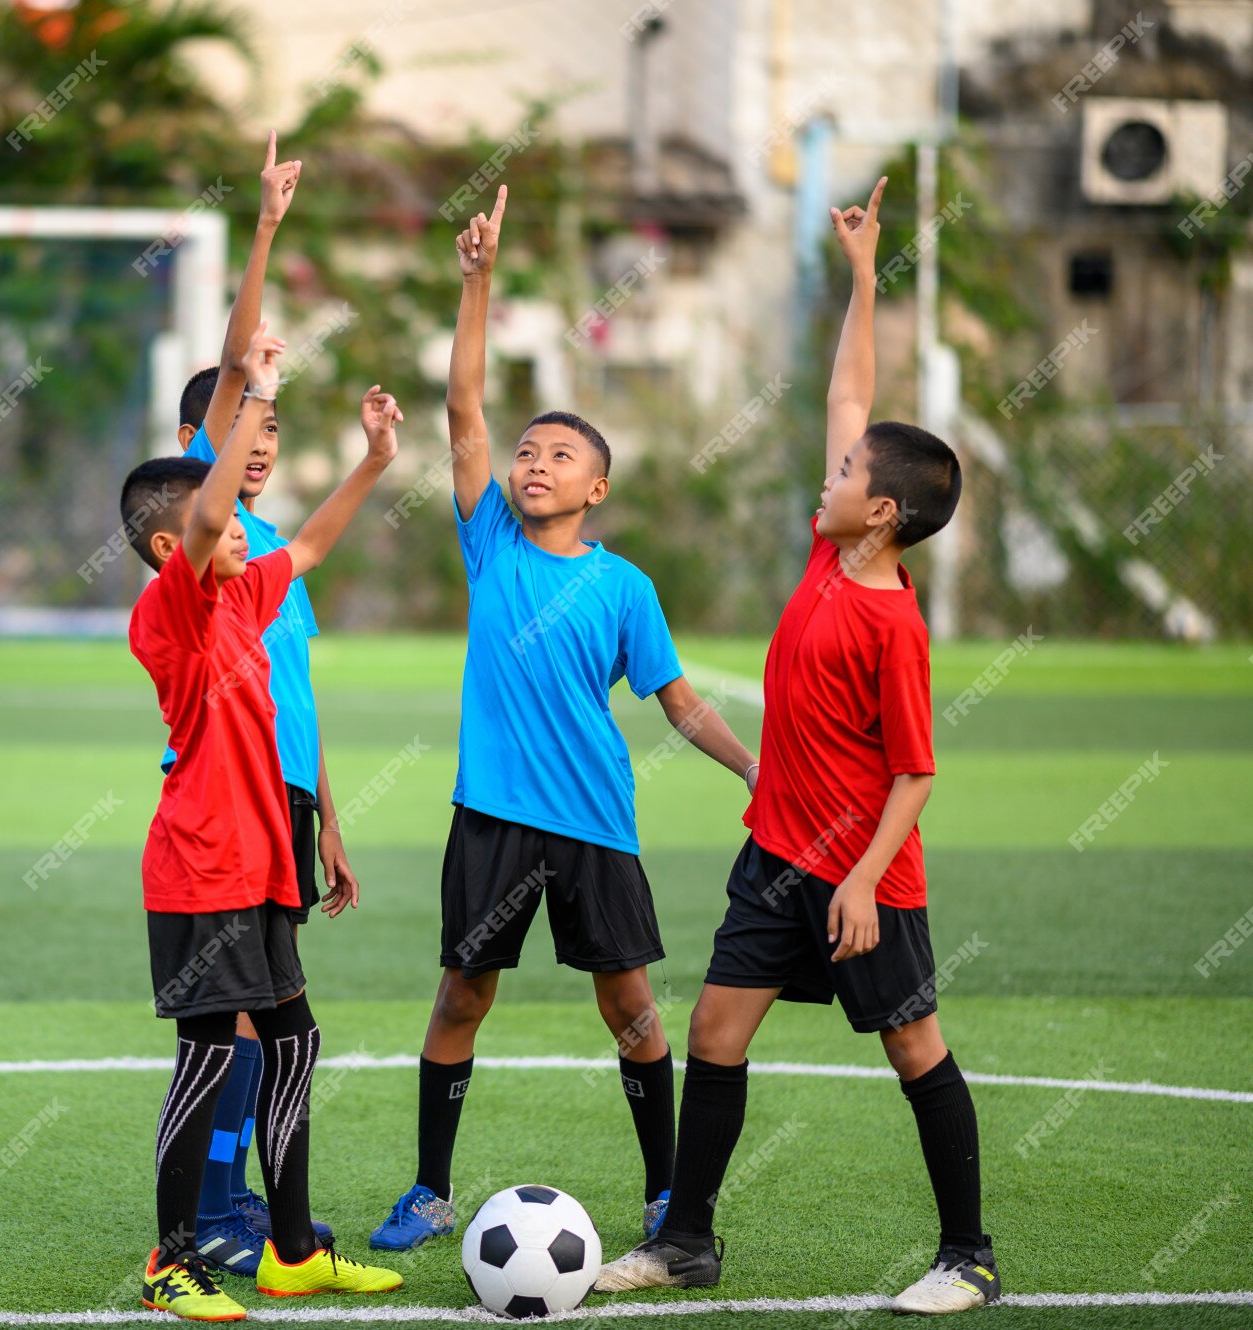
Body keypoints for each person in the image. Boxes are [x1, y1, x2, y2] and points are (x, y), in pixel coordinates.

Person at [593, 178, 997, 1316]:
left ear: (880, 514)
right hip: (777, 852)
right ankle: (686, 1240)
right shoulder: (830, 559)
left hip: (864, 873)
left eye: (841, 478)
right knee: (717, 1029)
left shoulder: (890, 621)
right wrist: (866, 276)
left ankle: (966, 1253)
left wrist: (865, 878)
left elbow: (916, 772)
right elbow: (849, 395)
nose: (826, 477)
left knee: (913, 1047)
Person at [371, 185, 758, 1254]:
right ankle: (430, 1190)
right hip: (491, 814)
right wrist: (475, 279)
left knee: (632, 1012)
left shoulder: (624, 587)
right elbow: (460, 410)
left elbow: (677, 702)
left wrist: (747, 770)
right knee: (459, 998)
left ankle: (665, 1200)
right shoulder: (487, 539)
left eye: (557, 457)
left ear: (595, 487)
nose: (531, 464)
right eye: (526, 452)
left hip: (593, 820)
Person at [125, 325, 405, 1320]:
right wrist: (255, 381)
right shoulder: (178, 609)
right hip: (200, 869)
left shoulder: (247, 600)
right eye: (220, 524)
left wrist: (372, 461)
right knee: (208, 1055)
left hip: (259, 865)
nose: (241, 526)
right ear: (176, 549)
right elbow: (208, 516)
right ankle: (170, 1260)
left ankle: (291, 1249)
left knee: (292, 1039)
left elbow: (314, 542)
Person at [163, 134, 349, 1277]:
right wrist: (268, 222)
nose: (263, 448)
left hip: (283, 796)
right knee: (236, 1017)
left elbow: (302, 693)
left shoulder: (274, 551)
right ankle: (220, 1211)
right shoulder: (206, 530)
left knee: (278, 1014)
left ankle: (248, 1209)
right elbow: (235, 366)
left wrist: (328, 816)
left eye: (274, 437)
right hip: (221, 804)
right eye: (246, 435)